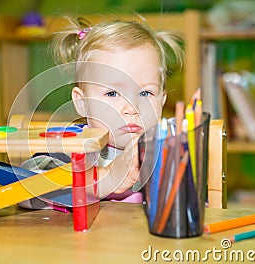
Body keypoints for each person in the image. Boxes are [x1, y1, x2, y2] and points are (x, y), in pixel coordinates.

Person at [20, 16, 184, 207]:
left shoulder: (169, 151)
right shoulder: (72, 148)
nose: (132, 108)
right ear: (82, 103)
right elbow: (23, 192)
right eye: (112, 93)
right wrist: (105, 179)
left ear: (162, 100)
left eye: (145, 92)